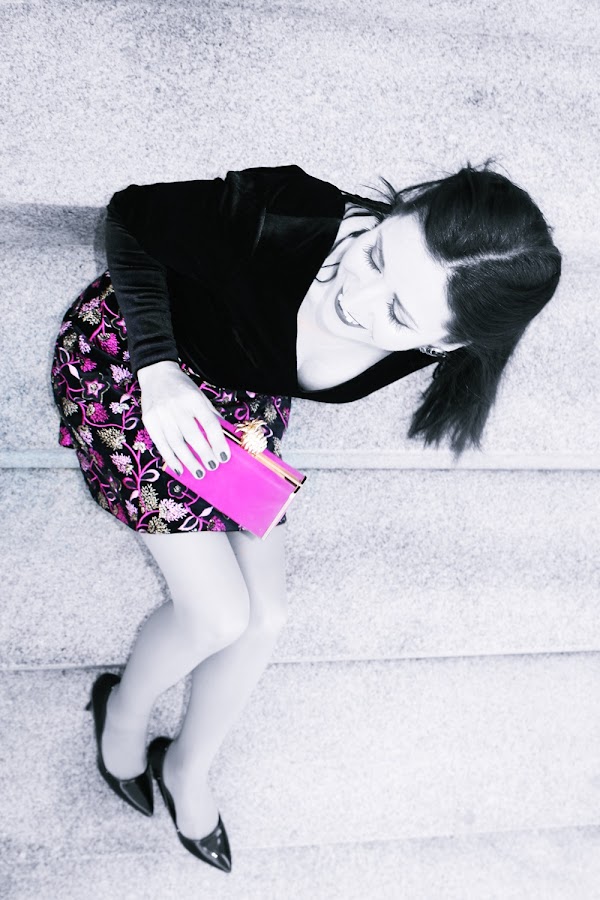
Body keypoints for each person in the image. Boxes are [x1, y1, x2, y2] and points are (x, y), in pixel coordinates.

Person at [50, 162, 561, 873]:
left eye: (400, 315)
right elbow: (132, 214)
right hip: (136, 368)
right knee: (218, 614)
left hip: (238, 416)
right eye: (377, 256)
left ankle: (187, 767)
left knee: (267, 618)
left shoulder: (435, 332)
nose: (359, 296)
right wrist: (159, 369)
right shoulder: (290, 212)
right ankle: (123, 714)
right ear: (396, 213)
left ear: (442, 345)